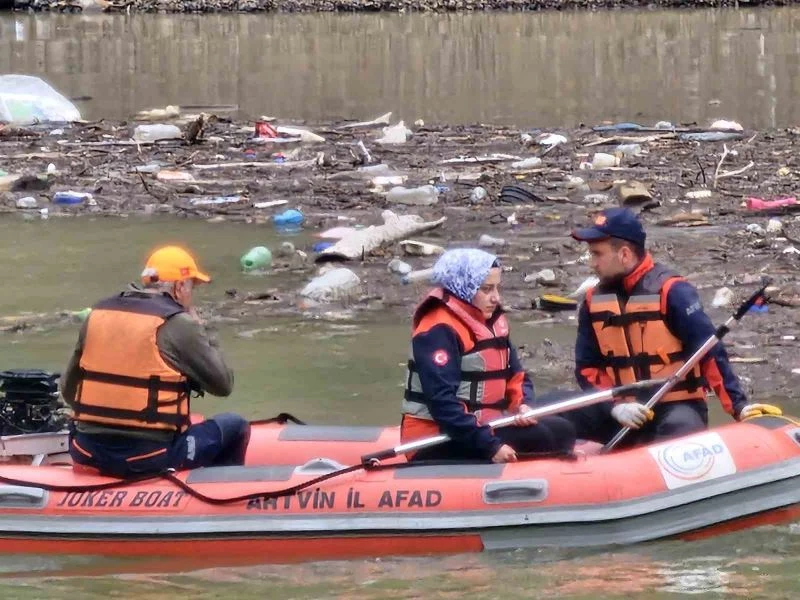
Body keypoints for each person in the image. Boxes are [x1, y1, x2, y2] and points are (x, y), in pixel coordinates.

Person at [565, 207, 780, 446]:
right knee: (560, 418)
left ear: (624, 254)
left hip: (676, 407)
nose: (592, 263)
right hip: (623, 410)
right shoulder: (593, 302)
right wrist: (615, 407)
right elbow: (588, 369)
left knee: (678, 429)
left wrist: (739, 407)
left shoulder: (673, 292)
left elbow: (708, 352)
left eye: (597, 254)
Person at [61, 245, 250, 477]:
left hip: (86, 451)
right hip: (149, 458)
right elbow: (223, 385)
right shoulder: (179, 324)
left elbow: (69, 392)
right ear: (180, 287)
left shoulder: (96, 316)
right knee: (234, 425)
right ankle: (216, 500)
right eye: (192, 288)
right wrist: (204, 330)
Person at [401, 248, 576, 463]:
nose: (496, 297)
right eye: (486, 289)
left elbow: (515, 375)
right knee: (542, 437)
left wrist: (523, 405)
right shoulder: (438, 330)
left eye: (496, 288)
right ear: (463, 286)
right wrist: (490, 446)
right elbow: (442, 403)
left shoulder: (489, 320)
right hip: (435, 438)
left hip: (483, 426)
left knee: (563, 430)